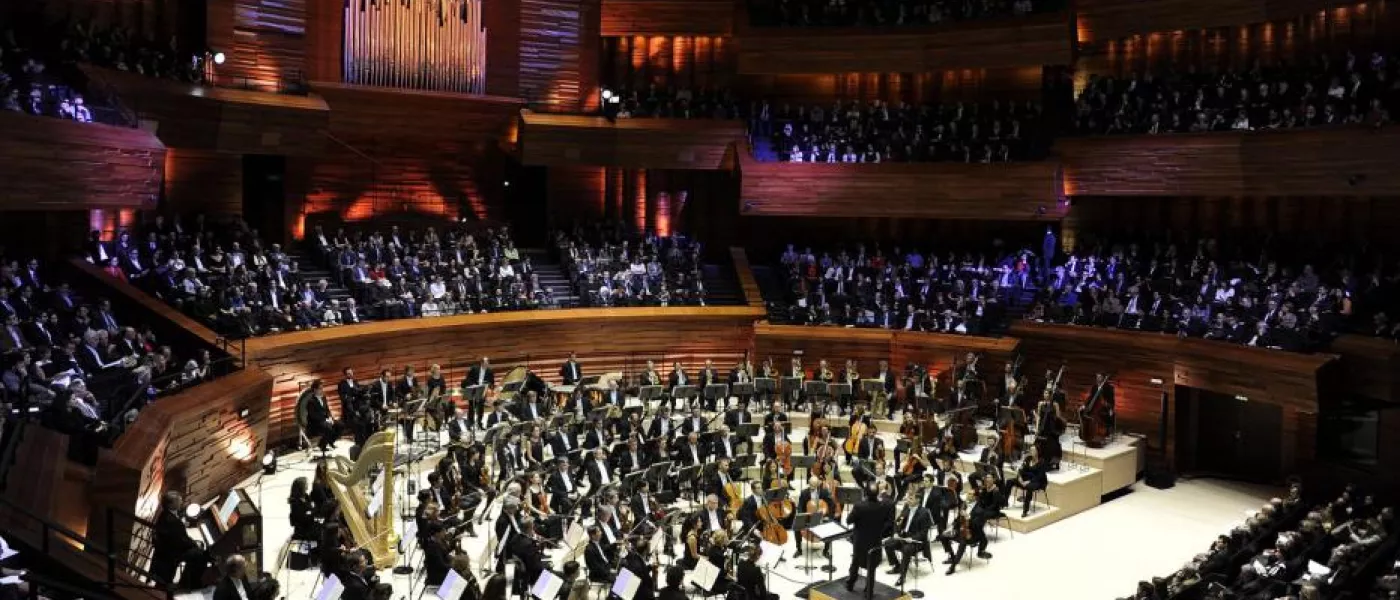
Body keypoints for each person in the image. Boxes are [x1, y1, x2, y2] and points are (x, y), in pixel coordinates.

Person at [844, 490, 894, 598]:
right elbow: (887, 521)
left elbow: (848, 520)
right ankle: (869, 592)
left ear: (866, 494)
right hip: (875, 540)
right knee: (871, 567)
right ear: (877, 494)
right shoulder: (883, 506)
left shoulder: (859, 506)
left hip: (860, 541)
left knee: (856, 562)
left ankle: (850, 584)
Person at [151, 491, 203, 588]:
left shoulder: (164, 514)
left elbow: (178, 536)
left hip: (166, 549)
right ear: (170, 504)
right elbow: (182, 541)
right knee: (199, 554)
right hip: (171, 553)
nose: (181, 502)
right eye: (178, 501)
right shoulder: (174, 522)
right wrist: (195, 544)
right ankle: (186, 583)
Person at [884, 493, 933, 587]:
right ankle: (897, 566)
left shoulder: (924, 512)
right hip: (903, 536)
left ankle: (902, 576)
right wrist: (896, 533)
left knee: (906, 549)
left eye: (911, 498)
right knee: (888, 544)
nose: (908, 500)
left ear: (918, 500)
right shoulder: (906, 508)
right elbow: (897, 523)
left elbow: (923, 533)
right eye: (908, 498)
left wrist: (913, 538)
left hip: (916, 541)